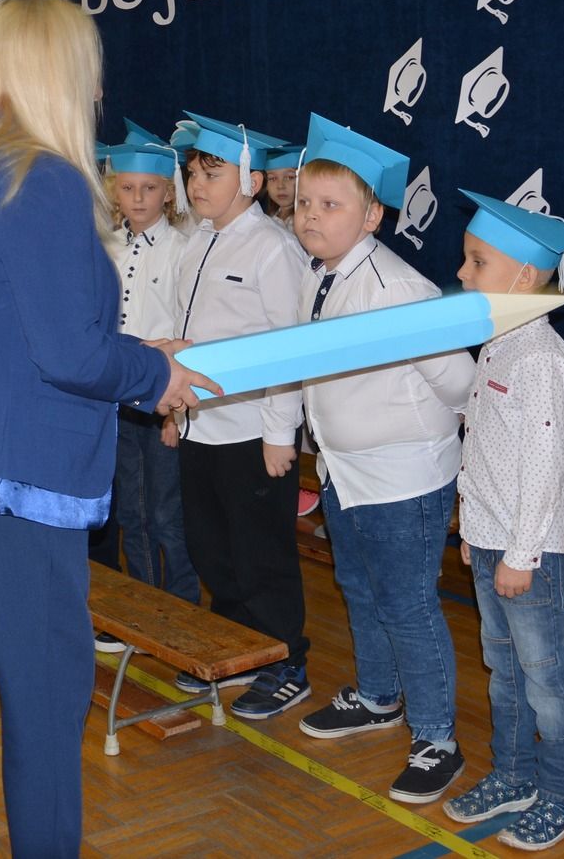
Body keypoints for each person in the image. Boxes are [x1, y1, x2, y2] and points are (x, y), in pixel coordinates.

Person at [0, 0, 216, 859]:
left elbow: (0, 331)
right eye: (89, 69)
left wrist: (138, 353)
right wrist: (156, 375)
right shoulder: (43, 178)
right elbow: (67, 352)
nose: (98, 88)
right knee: (49, 697)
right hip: (10, 484)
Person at [285, 115, 479, 807]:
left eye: (330, 204)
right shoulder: (321, 274)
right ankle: (378, 696)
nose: (311, 215)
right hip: (344, 471)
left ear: (372, 216)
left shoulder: (397, 290)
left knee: (407, 603)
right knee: (360, 588)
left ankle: (437, 739)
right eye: (304, 202)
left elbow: (461, 384)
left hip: (403, 480)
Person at [442, 190, 564, 851]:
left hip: (526, 551)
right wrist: (471, 524)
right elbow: (483, 444)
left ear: (526, 277)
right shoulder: (498, 346)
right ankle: (513, 775)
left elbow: (543, 466)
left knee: (545, 675)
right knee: (503, 668)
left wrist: (520, 553)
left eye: (478, 261)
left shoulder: (542, 358)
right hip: (491, 540)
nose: (461, 272)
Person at [166, 112, 312, 719]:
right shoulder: (197, 240)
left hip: (252, 433)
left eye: (213, 173)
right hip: (201, 426)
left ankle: (286, 663)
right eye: (193, 173)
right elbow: (184, 334)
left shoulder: (273, 248)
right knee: (212, 548)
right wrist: (173, 410)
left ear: (251, 181)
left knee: (261, 555)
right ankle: (236, 651)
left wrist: (280, 433)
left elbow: (288, 348)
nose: (197, 184)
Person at [103, 132, 199, 605]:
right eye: (128, 188)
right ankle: (143, 602)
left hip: (163, 400)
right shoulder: (106, 247)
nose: (138, 198)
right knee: (130, 509)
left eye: (149, 188)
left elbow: (185, 328)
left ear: (168, 193)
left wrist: (175, 414)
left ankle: (181, 605)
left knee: (166, 512)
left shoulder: (182, 249)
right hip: (116, 397)